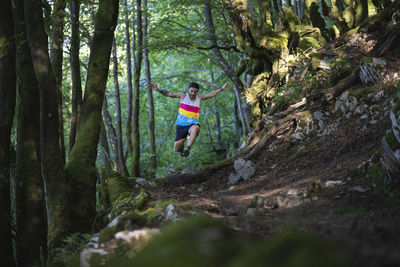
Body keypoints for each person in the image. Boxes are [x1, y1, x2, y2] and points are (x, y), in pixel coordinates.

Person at [151, 81, 229, 157]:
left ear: (197, 92)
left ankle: (188, 148)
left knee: (195, 128)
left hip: (192, 125)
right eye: (191, 91)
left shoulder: (199, 98)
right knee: (176, 148)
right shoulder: (183, 96)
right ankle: (182, 149)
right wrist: (158, 90)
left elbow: (210, 95)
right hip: (181, 126)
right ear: (188, 89)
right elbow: (169, 94)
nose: (193, 93)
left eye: (195, 92)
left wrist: (221, 89)